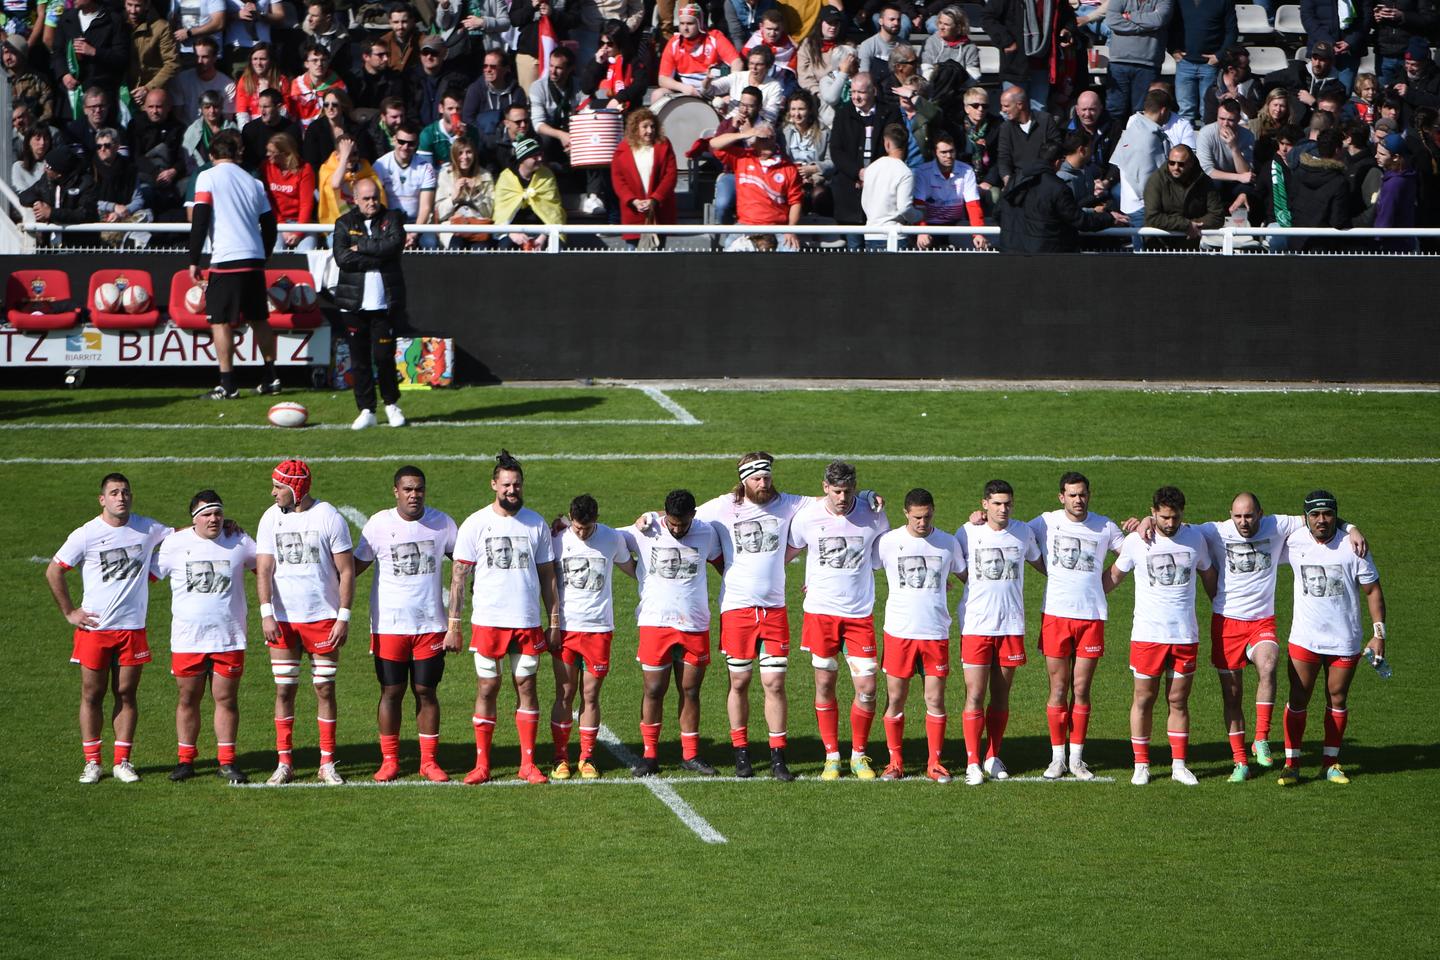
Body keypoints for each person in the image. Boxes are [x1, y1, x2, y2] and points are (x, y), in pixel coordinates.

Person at [1161, 492, 1368, 781]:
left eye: (1249, 516)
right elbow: (1174, 526)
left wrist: (1351, 527)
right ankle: (1240, 762)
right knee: (1231, 696)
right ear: (1230, 515)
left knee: (1268, 665)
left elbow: (1319, 517)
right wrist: (1147, 519)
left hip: (1262, 621)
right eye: (1238, 517)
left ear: (1261, 513)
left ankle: (1261, 738)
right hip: (1226, 623)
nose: (1243, 523)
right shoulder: (1216, 531)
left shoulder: (1278, 525)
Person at [47, 474, 173, 783]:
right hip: (95, 629)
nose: (121, 497)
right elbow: (54, 571)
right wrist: (69, 611)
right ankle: (92, 762)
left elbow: (182, 537)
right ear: (102, 499)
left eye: (126, 492)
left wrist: (223, 525)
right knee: (92, 694)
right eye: (114, 493)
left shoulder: (148, 528)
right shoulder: (86, 534)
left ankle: (122, 761)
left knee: (126, 693)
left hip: (132, 628)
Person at [689, 453, 807, 781]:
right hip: (737, 610)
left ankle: (777, 756)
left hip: (774, 610)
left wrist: (868, 497)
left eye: (767, 477)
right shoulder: (721, 506)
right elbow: (681, 514)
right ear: (744, 479)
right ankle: (741, 753)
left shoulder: (788, 503)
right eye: (757, 479)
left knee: (775, 682)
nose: (764, 484)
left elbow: (830, 501)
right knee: (739, 681)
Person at [445, 451, 561, 785]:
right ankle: (482, 765)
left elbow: (548, 577)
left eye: (517, 485)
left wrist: (553, 622)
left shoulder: (536, 523)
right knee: (487, 687)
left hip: (526, 621)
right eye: (506, 484)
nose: (512, 490)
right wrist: (455, 626)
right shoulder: (476, 523)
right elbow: (458, 576)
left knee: (526, 684)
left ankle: (528, 764)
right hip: (489, 621)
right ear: (494, 484)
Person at [1103, 486, 1217, 786]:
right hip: (1147, 635)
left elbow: (1208, 576)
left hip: (1184, 636)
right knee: (1144, 698)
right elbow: (1114, 575)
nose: (1170, 523)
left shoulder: (1195, 539)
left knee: (1178, 700)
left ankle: (1179, 765)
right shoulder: (1137, 542)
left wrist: (1221, 608)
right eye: (1164, 517)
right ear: (1153, 512)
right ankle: (1141, 765)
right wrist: (1087, 596)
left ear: (1183, 513)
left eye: (1175, 517)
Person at [1020, 472, 1131, 780]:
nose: (1078, 500)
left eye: (1082, 494)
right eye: (1072, 495)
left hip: (1091, 617)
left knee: (1081, 689)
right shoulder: (1045, 521)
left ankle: (1078, 759)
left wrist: (1103, 584)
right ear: (1061, 497)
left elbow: (1131, 554)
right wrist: (979, 518)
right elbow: (1015, 535)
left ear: (1089, 495)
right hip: (1055, 615)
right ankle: (1057, 759)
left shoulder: (1105, 526)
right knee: (1058, 687)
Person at [785, 461, 888, 780]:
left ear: (856, 488)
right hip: (820, 614)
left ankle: (859, 755)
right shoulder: (806, 517)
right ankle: (832, 756)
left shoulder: (873, 514)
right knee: (825, 683)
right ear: (825, 487)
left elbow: (879, 560)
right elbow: (786, 554)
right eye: (837, 491)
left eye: (849, 491)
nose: (843, 498)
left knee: (868, 687)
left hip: (859, 616)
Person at [354, 466, 458, 782]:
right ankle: (390, 760)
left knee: (426, 690)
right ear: (395, 491)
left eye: (419, 489)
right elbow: (352, 568)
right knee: (391, 691)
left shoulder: (443, 524)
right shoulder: (378, 525)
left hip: (430, 625)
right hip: (389, 625)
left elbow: (466, 562)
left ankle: (428, 762)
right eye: (408, 489)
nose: (414, 495)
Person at [255, 459, 356, 785]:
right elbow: (265, 568)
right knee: (284, 688)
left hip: (322, 618)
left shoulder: (329, 517)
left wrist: (343, 617)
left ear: (295, 489)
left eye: (278, 487)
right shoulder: (270, 518)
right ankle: (285, 762)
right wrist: (266, 612)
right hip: (283, 620)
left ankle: (327, 763)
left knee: (324, 688)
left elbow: (347, 571)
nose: (272, 493)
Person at [1277, 491, 1386, 786]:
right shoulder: (1294, 541)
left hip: (1344, 640)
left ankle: (1331, 763)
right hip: (1304, 639)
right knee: (1298, 698)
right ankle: (1291, 763)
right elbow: (1255, 533)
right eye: (1315, 515)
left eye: (1327, 514)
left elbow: (1373, 590)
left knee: (1337, 698)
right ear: (1306, 517)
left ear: (1335, 515)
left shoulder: (1354, 547)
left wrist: (1379, 635)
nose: (1321, 520)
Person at [153, 491, 256, 784]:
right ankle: (186, 761)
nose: (214, 519)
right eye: (207, 514)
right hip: (188, 639)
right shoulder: (175, 544)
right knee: (188, 698)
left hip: (229, 637)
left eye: (218, 513)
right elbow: (147, 575)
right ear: (193, 518)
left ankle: (226, 761)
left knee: (226, 699)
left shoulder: (239, 540)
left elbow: (265, 566)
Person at [626, 489, 724, 777]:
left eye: (683, 524)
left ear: (693, 515)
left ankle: (691, 754)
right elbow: (605, 538)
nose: (677, 529)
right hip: (656, 623)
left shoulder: (706, 533)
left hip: (694, 624)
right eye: (672, 523)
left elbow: (722, 563)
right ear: (664, 515)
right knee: (654, 689)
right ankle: (650, 754)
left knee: (691, 690)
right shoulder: (647, 529)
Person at [875, 488, 966, 783]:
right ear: (906, 514)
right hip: (899, 633)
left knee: (934, 699)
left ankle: (935, 763)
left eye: (927, 517)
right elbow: (862, 567)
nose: (922, 523)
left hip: (935, 633)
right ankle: (895, 762)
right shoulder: (888, 543)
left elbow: (966, 576)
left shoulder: (948, 543)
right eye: (916, 518)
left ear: (933, 512)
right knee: (896, 698)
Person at [955, 480, 1043, 786]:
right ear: (984, 504)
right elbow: (956, 566)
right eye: (996, 503)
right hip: (976, 625)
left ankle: (993, 756)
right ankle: (972, 762)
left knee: (1001, 695)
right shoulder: (967, 532)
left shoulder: (1023, 532)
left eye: (1007, 503)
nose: (1003, 509)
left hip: (1010, 626)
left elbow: (1041, 563)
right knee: (975, 694)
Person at [547, 495, 637, 779]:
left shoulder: (611, 539)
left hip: (599, 630)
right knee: (564, 693)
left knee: (590, 695)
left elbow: (632, 569)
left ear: (596, 520)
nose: (582, 533)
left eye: (587, 528)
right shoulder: (558, 540)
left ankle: (587, 758)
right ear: (570, 519)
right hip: (566, 629)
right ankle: (560, 758)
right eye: (576, 527)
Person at [188, 128, 280, 400]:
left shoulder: (207, 177)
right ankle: (271, 376)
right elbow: (270, 223)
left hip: (227, 258)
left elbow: (200, 219)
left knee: (220, 321)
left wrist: (193, 259)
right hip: (253, 258)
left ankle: (227, 384)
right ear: (236, 154)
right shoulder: (253, 181)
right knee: (259, 318)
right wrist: (265, 252)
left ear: (212, 153)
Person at [331, 177, 409, 430]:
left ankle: (391, 404)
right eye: (366, 198)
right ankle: (366, 409)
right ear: (355, 199)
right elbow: (343, 258)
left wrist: (362, 247)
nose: (372, 202)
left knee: (384, 356)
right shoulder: (344, 222)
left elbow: (394, 245)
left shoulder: (393, 218)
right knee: (360, 360)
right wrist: (377, 256)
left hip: (384, 302)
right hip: (353, 303)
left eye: (374, 197)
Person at [999, 141, 1127, 251]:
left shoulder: (1014, 180)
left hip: (1010, 252)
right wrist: (1109, 218)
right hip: (1046, 256)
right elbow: (1080, 220)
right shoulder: (1058, 188)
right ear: (1057, 162)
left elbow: (997, 213)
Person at [707, 118, 804, 249]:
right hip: (746, 225)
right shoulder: (742, 158)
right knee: (730, 247)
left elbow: (795, 202)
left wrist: (791, 229)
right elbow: (714, 144)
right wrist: (744, 134)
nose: (769, 142)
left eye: (772, 137)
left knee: (792, 249)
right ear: (753, 142)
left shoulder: (788, 167)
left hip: (778, 227)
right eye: (763, 138)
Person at [830, 72, 902, 244]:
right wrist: (858, 173)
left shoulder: (889, 113)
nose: (856, 97)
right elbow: (836, 150)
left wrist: (873, 176)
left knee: (878, 250)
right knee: (854, 248)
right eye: (853, 92)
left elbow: (895, 148)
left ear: (873, 91)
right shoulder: (843, 114)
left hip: (881, 192)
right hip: (850, 192)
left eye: (861, 92)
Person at [611, 106, 678, 248]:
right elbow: (618, 180)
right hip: (633, 212)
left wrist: (655, 198)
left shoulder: (664, 145)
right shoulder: (622, 149)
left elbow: (670, 175)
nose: (650, 131)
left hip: (658, 212)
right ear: (635, 128)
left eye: (652, 126)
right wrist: (633, 201)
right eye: (645, 127)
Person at [51, 0, 130, 118]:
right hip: (73, 96)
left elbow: (121, 58)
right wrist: (64, 74)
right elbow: (57, 52)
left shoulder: (113, 20)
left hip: (102, 98)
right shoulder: (67, 18)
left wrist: (94, 51)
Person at [1112, 87, 1172, 237]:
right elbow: (1144, 179)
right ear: (1164, 111)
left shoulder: (1135, 127)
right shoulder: (1147, 138)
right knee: (1145, 258)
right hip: (1143, 208)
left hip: (1136, 206)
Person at [912, 130, 987, 248]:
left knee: (978, 244)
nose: (949, 156)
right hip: (930, 225)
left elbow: (973, 205)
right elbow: (918, 205)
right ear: (934, 153)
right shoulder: (922, 172)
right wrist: (921, 230)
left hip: (957, 224)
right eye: (943, 152)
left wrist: (978, 233)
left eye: (951, 151)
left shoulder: (966, 170)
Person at [655, 3, 742, 100]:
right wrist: (683, 87)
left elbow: (737, 63)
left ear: (699, 23)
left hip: (714, 90)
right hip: (686, 91)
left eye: (690, 23)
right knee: (657, 94)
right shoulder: (674, 43)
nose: (685, 28)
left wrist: (728, 84)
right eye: (682, 23)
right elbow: (662, 79)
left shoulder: (714, 37)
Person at [372, 119, 437, 248]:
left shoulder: (426, 167)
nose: (405, 147)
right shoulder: (380, 165)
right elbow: (377, 203)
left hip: (417, 222)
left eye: (410, 143)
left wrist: (413, 234)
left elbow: (425, 207)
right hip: (388, 221)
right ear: (394, 140)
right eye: (401, 142)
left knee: (431, 243)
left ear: (417, 144)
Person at [1142, 143, 1224, 245]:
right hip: (1160, 244)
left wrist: (1194, 225)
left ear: (1191, 163)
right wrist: (1186, 225)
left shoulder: (1204, 181)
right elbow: (1152, 217)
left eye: (1181, 164)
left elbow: (1217, 216)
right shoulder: (1156, 180)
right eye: (1171, 163)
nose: (1176, 167)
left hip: (1191, 244)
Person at [1169, 0, 1236, 125]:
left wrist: (1219, 56)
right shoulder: (1178, 2)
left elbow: (1232, 32)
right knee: (1185, 112)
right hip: (1184, 64)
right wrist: (1173, 49)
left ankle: (1207, 144)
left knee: (1208, 112)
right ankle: (1185, 144)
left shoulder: (1224, 2)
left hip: (1211, 66)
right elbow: (1170, 26)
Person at [493, 135, 565, 248]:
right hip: (513, 231)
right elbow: (501, 213)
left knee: (555, 245)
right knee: (505, 247)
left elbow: (554, 211)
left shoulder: (547, 175)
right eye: (534, 156)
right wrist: (511, 233)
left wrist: (543, 237)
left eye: (540, 155)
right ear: (523, 158)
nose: (540, 159)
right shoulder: (506, 177)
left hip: (543, 231)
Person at [1104, 0, 1173, 118]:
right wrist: (1145, 27)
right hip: (1119, 62)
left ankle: (1138, 137)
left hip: (1148, 65)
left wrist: (1130, 16)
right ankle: (1113, 136)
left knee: (1143, 112)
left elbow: (1158, 20)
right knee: (1114, 110)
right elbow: (1112, 20)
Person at [995, 85, 1062, 187]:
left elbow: (1056, 148)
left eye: (1006, 106)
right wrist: (1008, 182)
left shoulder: (1045, 120)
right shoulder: (1006, 128)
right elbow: (1004, 158)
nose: (1002, 110)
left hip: (1045, 178)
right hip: (1019, 182)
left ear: (1020, 105)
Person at [435, 134, 495, 247]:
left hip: (478, 226)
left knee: (482, 251)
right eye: (460, 153)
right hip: (453, 228)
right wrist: (453, 198)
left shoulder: (486, 176)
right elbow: (440, 214)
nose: (465, 157)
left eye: (469, 152)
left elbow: (489, 213)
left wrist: (476, 194)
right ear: (454, 155)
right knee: (456, 249)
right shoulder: (445, 176)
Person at [1301, 0, 1374, 93]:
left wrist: (1350, 41)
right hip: (1321, 52)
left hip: (1349, 52)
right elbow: (1308, 18)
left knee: (1343, 94)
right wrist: (1329, 43)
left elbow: (1366, 16)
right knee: (1317, 94)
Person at [1194, 97, 1254, 206]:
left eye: (1230, 120)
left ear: (1238, 119)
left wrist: (1234, 148)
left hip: (1236, 183)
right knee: (1209, 183)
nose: (1225, 124)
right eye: (1221, 118)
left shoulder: (1247, 136)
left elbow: (1245, 172)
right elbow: (1207, 170)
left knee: (1249, 186)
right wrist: (1238, 177)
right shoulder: (1206, 133)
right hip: (1215, 180)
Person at [861, 122, 914, 245]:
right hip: (896, 236)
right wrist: (918, 216)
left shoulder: (871, 168)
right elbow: (904, 208)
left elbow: (865, 202)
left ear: (887, 144)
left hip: (871, 233)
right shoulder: (905, 172)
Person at [781, 90, 832, 214]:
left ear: (809, 110)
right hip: (791, 179)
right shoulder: (783, 133)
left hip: (817, 180)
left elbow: (832, 162)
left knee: (819, 194)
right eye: (793, 109)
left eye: (801, 109)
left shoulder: (824, 132)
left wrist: (813, 170)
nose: (796, 114)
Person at [318, 132, 384, 224]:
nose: (352, 158)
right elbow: (335, 184)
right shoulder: (326, 169)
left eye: (354, 154)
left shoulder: (365, 168)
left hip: (365, 222)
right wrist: (344, 158)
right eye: (347, 154)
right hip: (338, 224)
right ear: (337, 155)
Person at [169, 36, 237, 125]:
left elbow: (226, 121)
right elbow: (177, 116)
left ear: (215, 58)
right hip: (187, 131)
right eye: (196, 56)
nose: (199, 61)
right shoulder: (181, 79)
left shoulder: (228, 85)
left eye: (205, 57)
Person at [126, 0, 180, 112]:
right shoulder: (118, 22)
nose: (132, 11)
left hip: (151, 93)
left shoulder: (161, 28)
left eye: (137, 6)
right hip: (123, 91)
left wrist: (148, 88)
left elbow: (172, 63)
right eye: (129, 5)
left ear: (147, 5)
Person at [287, 41, 346, 132]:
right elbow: (292, 114)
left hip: (328, 132)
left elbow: (343, 112)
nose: (319, 64)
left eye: (323, 60)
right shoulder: (297, 84)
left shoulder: (338, 85)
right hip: (301, 132)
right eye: (315, 60)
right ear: (306, 64)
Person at [242, 87, 302, 170]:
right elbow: (247, 161)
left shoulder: (292, 129)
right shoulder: (250, 129)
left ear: (278, 107)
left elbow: (296, 158)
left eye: (266, 107)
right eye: (260, 106)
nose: (262, 111)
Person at [234, 41, 288, 126]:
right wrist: (246, 132)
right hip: (252, 127)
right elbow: (242, 111)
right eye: (255, 59)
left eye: (263, 59)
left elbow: (285, 109)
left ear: (270, 60)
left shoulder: (281, 80)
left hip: (276, 126)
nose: (258, 63)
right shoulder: (244, 81)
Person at [921, 6, 980, 82]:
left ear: (958, 27)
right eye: (940, 23)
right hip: (934, 87)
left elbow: (974, 75)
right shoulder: (931, 42)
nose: (941, 27)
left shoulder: (970, 47)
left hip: (960, 87)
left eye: (946, 24)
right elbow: (926, 70)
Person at [349, 35, 407, 111]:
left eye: (387, 54)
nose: (386, 59)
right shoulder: (353, 79)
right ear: (366, 57)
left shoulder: (394, 79)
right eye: (380, 55)